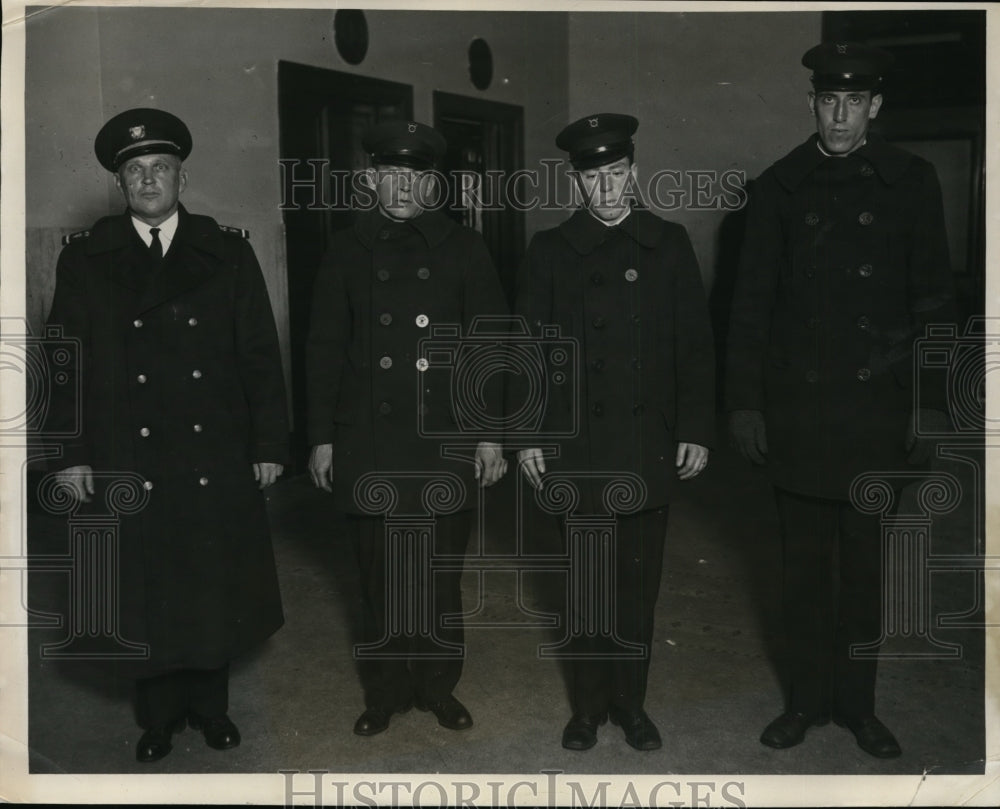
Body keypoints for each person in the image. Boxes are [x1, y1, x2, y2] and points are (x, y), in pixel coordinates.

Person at [726, 43, 955, 759]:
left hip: (875, 413)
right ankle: (803, 703)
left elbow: (934, 303)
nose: (841, 114)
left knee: (863, 569)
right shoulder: (779, 188)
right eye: (829, 100)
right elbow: (749, 306)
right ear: (813, 104)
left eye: (855, 102)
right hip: (799, 410)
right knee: (801, 571)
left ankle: (859, 706)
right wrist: (745, 403)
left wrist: (930, 402)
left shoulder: (912, 182)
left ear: (875, 107)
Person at [44, 108, 290, 762]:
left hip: (212, 448)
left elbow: (260, 356)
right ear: (120, 183)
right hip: (128, 447)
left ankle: (211, 709)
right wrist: (69, 455)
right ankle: (156, 717)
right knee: (144, 585)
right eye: (135, 170)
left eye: (160, 167)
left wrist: (268, 444)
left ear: (182, 174)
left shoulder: (227, 252)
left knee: (210, 582)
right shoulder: (88, 260)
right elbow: (62, 358)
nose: (148, 179)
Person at [512, 113, 715, 751]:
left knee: (637, 585)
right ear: (576, 184)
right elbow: (528, 350)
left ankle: (632, 705)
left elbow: (695, 344)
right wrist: (528, 434)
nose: (607, 187)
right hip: (576, 446)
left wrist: (695, 427)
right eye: (593, 176)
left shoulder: (668, 242)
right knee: (582, 585)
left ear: (635, 173)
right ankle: (587, 707)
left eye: (617, 172)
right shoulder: (549, 250)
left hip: (644, 441)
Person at [306, 120, 508, 737]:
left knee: (440, 575)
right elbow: (323, 347)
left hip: (443, 437)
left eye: (416, 174)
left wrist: (491, 432)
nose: (402, 185)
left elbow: (491, 344)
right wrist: (321, 435)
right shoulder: (346, 248)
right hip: (367, 437)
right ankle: (386, 691)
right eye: (390, 172)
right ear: (370, 178)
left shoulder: (464, 247)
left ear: (433, 182)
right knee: (377, 576)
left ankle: (439, 687)